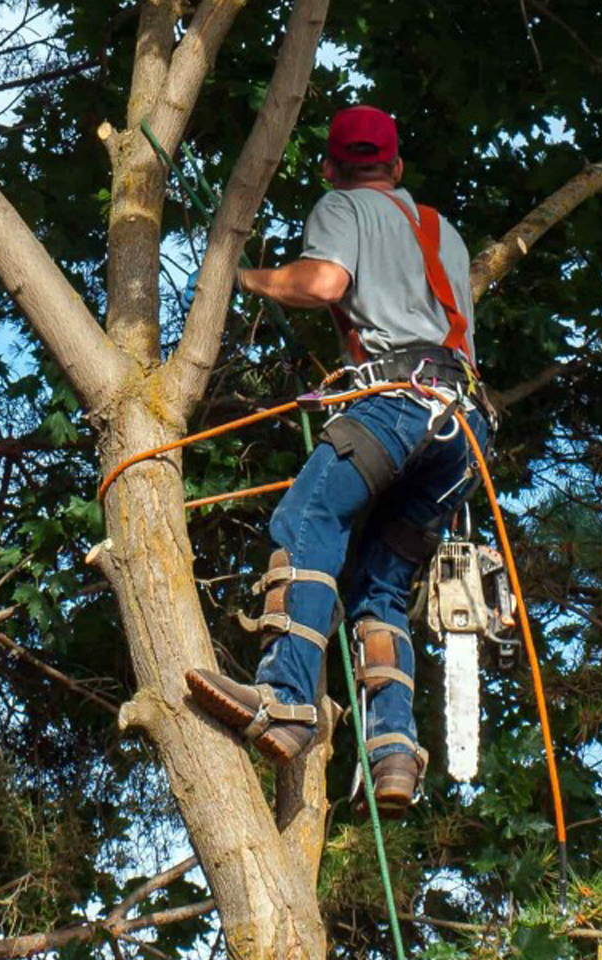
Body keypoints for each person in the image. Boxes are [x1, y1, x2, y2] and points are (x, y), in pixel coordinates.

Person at [184, 105, 490, 818]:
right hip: (465, 429)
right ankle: (392, 753)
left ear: (330, 167)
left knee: (309, 517)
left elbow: (324, 284)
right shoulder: (442, 231)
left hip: (398, 404)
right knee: (380, 589)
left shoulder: (340, 204)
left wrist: (248, 278)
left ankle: (288, 700)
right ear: (398, 168)